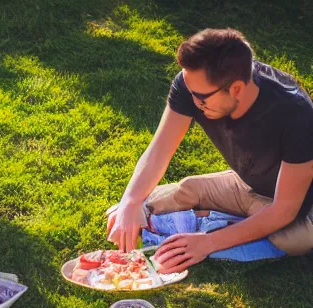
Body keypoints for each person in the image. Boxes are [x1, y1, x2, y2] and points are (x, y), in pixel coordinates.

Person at [106, 28, 313, 273]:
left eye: (201, 98)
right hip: (250, 185)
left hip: (301, 204)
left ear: (236, 88)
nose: (193, 103)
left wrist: (209, 242)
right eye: (190, 92)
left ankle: (223, 228)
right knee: (168, 195)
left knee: (288, 239)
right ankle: (231, 222)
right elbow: (159, 150)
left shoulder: (296, 114)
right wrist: (131, 202)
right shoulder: (194, 85)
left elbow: (284, 210)